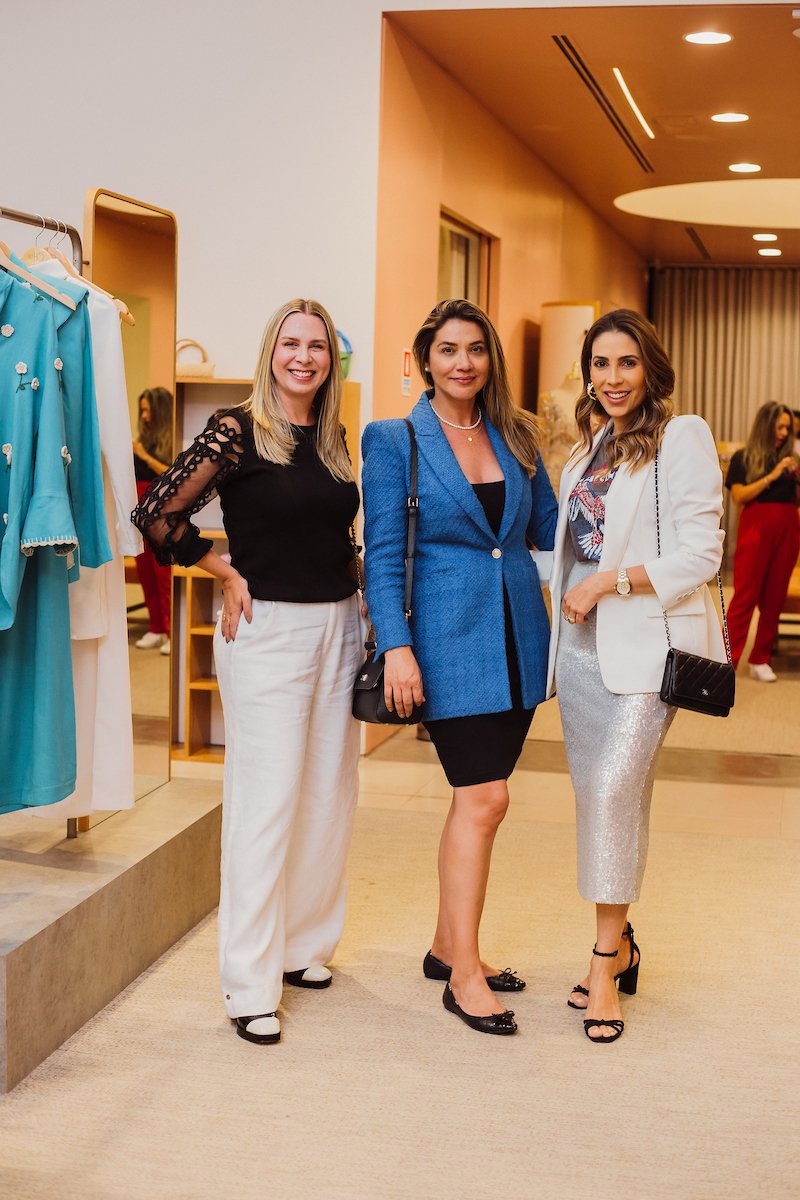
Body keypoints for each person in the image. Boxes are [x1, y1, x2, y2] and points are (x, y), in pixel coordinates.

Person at [132, 299, 364, 1046]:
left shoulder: (332, 436)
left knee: (328, 792)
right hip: (267, 632)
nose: (304, 357)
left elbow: (330, 532)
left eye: (317, 346)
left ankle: (303, 948)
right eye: (291, 344)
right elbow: (159, 517)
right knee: (266, 802)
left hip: (338, 623)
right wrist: (220, 569)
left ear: (331, 358)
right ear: (272, 352)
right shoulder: (238, 428)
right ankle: (248, 983)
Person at [362, 299, 558, 1037]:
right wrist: (396, 646)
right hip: (443, 644)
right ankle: (465, 974)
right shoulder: (395, 440)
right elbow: (382, 553)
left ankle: (448, 946)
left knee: (473, 801)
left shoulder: (516, 433)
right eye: (448, 349)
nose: (463, 363)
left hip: (517, 642)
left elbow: (541, 530)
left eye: (476, 349)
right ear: (423, 358)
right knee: (487, 800)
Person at [547, 309, 725, 1044]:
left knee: (616, 788)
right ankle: (619, 943)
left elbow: (700, 555)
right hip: (583, 651)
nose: (611, 378)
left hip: (644, 646)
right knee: (601, 799)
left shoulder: (681, 436)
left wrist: (608, 584)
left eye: (625, 363)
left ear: (649, 367)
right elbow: (569, 550)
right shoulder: (588, 446)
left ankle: (601, 968)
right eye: (599, 364)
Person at [724, 402, 800, 681]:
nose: (783, 433)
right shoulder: (744, 457)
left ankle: (760, 659)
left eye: (787, 428)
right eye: (779, 426)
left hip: (789, 527)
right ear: (765, 425)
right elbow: (739, 496)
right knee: (745, 595)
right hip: (756, 527)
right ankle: (725, 662)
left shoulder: (794, 460)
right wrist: (773, 474)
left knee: (775, 596)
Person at [132, 387, 173, 655]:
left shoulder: (172, 440)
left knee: (162, 573)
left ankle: (170, 630)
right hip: (139, 511)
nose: (145, 416)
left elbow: (170, 473)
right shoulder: (142, 440)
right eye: (142, 410)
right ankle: (156, 627)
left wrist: (144, 456)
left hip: (161, 512)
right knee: (145, 570)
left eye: (149, 410)